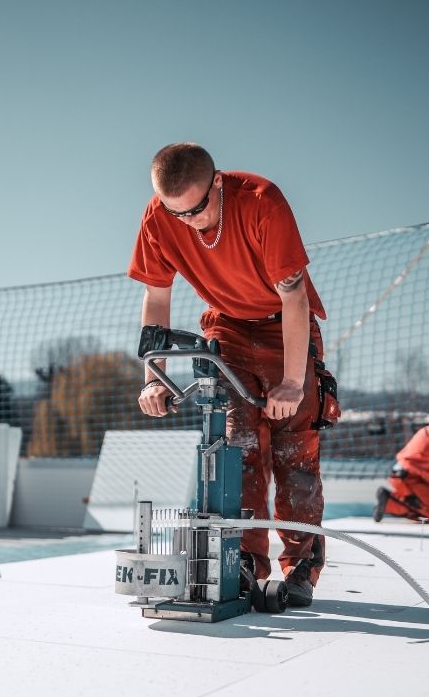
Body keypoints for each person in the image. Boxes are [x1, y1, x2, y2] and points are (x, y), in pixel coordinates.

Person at [127, 143, 329, 607]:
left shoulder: (261, 203)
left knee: (294, 452)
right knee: (237, 448)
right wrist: (153, 376)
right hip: (227, 327)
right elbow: (156, 297)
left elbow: (294, 295)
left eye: (196, 209)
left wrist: (293, 381)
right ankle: (243, 561)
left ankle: (300, 566)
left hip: (284, 326)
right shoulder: (159, 216)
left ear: (216, 182)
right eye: (176, 213)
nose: (188, 221)